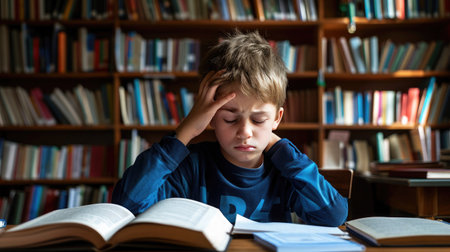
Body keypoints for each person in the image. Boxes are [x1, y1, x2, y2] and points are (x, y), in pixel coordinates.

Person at [112, 31, 347, 227]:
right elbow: (127, 206)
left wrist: (277, 146)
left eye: (258, 120)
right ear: (210, 117)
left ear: (277, 119)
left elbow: (333, 216)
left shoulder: (284, 171)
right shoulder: (192, 167)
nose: (245, 132)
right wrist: (185, 131)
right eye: (230, 119)